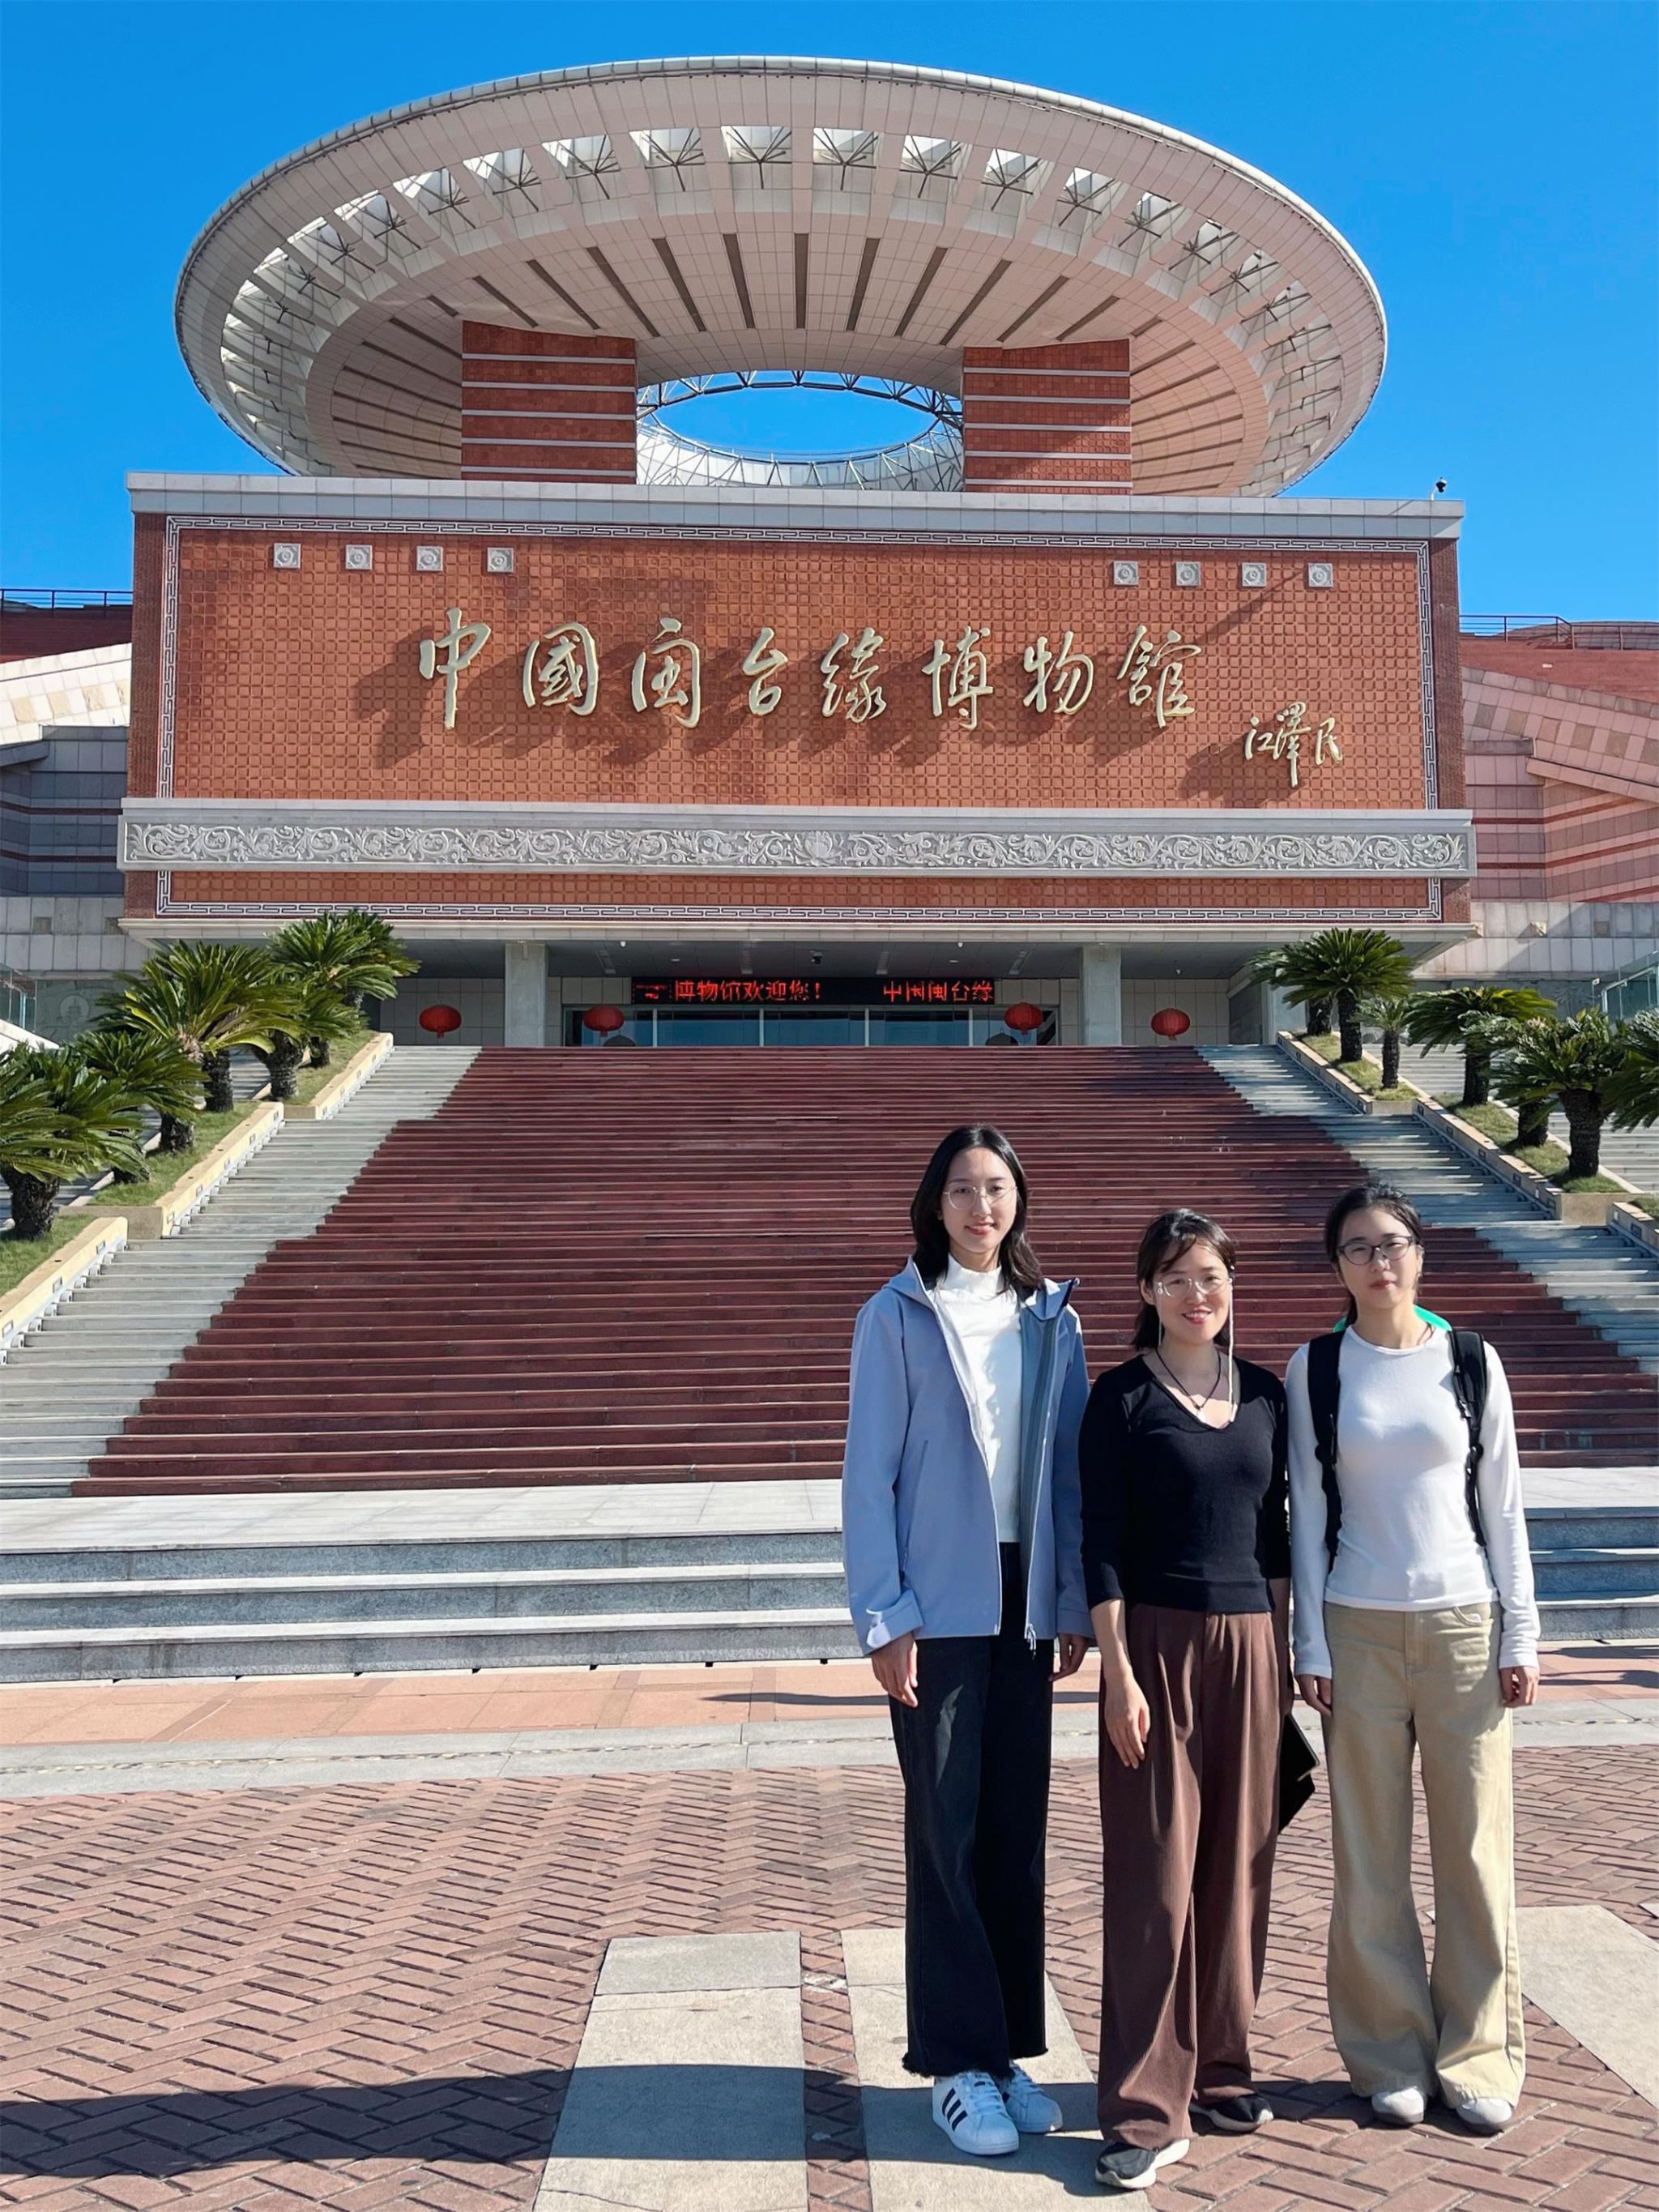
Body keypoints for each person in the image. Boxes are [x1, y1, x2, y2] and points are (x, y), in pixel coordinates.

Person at [842, 1123, 1093, 2159]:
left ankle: (1005, 2053)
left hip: (1024, 1603)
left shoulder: (1050, 1320)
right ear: (933, 1204)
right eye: (960, 1189)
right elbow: (867, 1475)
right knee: (944, 1833)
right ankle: (954, 2063)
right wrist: (884, 1614)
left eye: (995, 1188)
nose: (980, 1207)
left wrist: (1070, 1601)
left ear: (1018, 1199)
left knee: (1013, 1831)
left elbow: (1069, 1472)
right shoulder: (896, 1313)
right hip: (937, 1607)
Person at [1287, 1181, 1540, 2137]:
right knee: (1368, 1855)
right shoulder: (1317, 1367)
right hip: (1355, 1627)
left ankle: (1478, 2055)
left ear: (1419, 1254)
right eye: (1356, 1247)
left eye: (1391, 1243)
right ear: (1336, 1266)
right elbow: (1306, 1514)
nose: (1377, 1261)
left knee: (1474, 1852)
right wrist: (1308, 1641)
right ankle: (1387, 2053)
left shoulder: (1468, 1361)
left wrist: (1520, 1631)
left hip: (1462, 1625)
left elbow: (1502, 1504)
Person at [1078, 1209, 1291, 2194]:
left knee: (1238, 1871)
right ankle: (1142, 2105)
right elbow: (1100, 1541)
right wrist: (1116, 1670)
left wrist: (1283, 1658)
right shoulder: (1119, 1397)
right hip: (1154, 1648)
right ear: (1145, 1292)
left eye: (1208, 1276)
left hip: (1250, 1645)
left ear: (1229, 1284)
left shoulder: (1266, 1395)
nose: (1194, 1295)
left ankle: (1220, 2070)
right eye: (1173, 1279)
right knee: (1154, 1879)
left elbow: (1276, 1537)